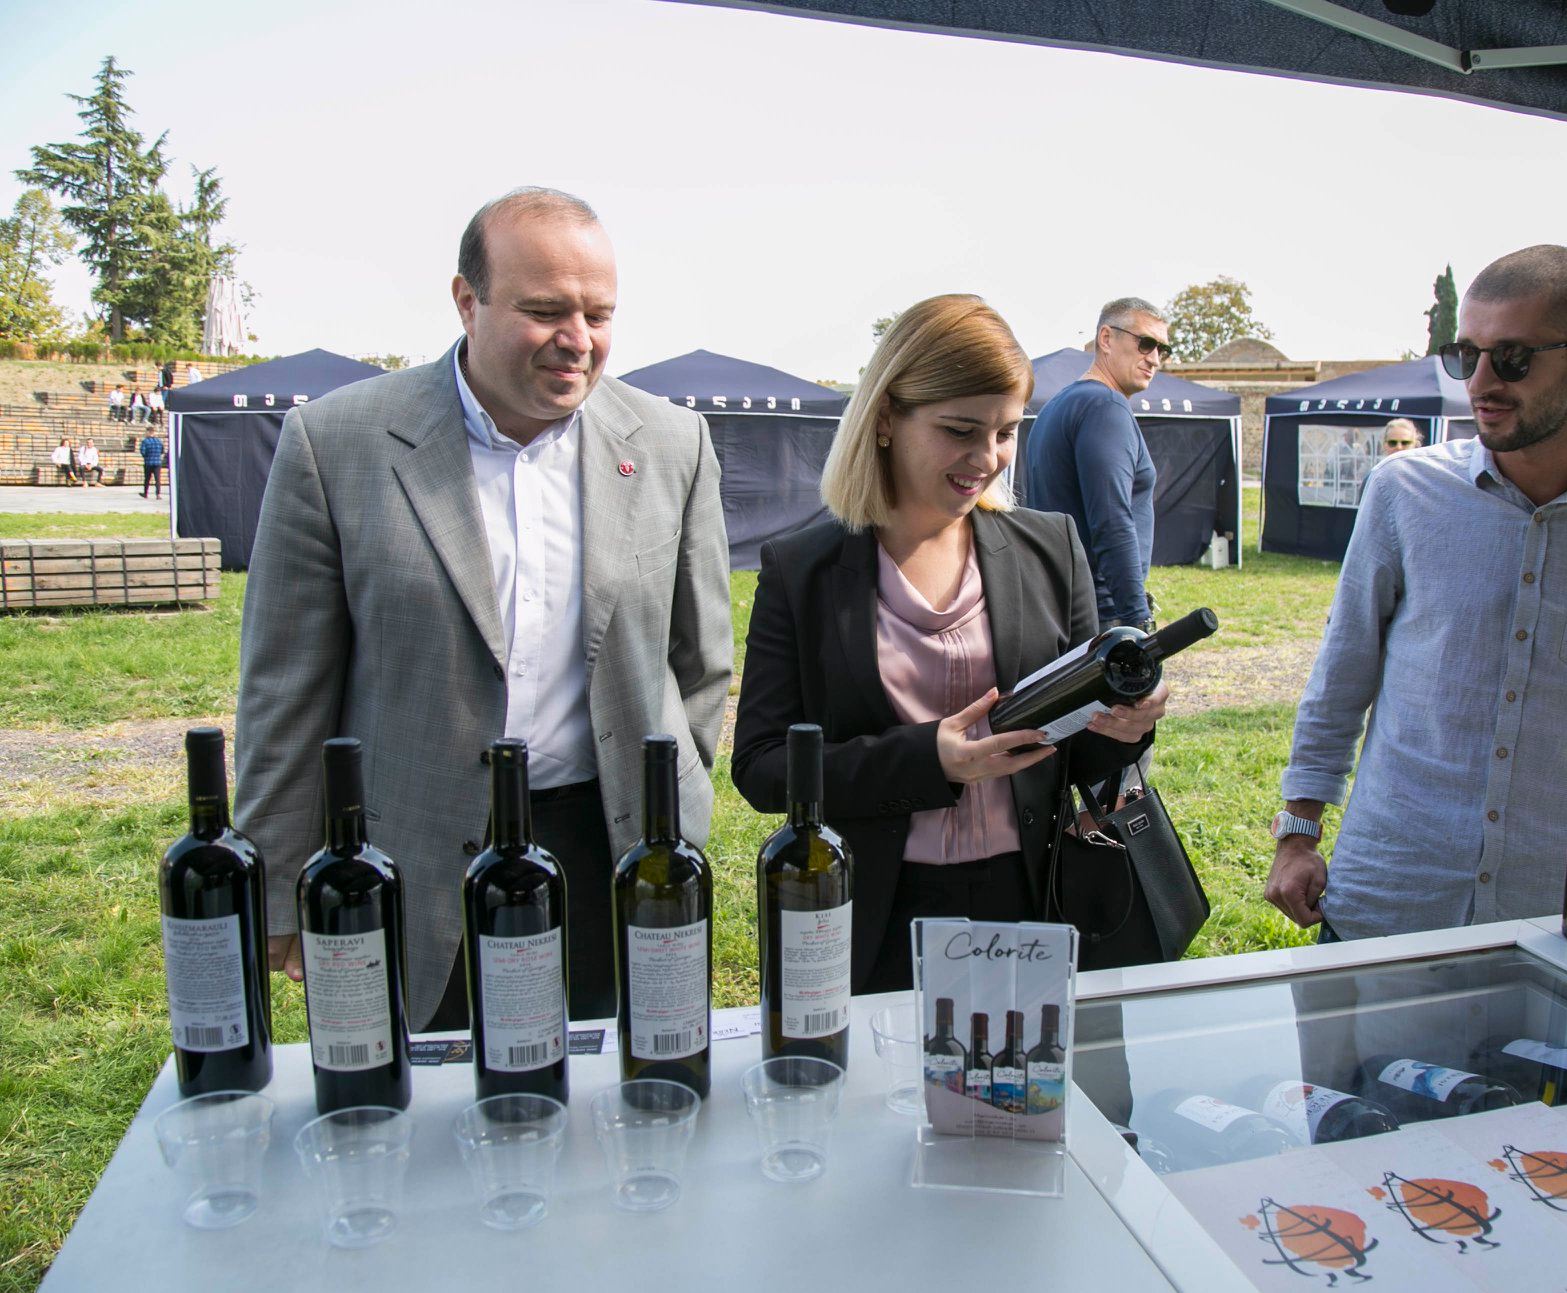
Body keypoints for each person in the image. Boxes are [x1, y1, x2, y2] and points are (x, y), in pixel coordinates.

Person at [234, 187, 733, 1032]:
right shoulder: (336, 442)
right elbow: (285, 689)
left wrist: (668, 799)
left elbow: (700, 662)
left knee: (611, 1092)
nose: (578, 340)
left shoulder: (671, 443)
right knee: (422, 1100)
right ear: (467, 301)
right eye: (544, 311)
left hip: (608, 844)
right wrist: (279, 879)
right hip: (414, 853)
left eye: (598, 314)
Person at [1266, 244, 1567, 943]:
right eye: (1465, 356)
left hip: (1556, 913)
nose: (1480, 382)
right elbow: (1343, 670)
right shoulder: (1404, 491)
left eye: (1512, 357)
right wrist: (1297, 832)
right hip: (1389, 893)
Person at [732, 295, 1168, 995]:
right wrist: (926, 760)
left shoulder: (1051, 549)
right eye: (960, 430)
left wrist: (1128, 724)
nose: (986, 458)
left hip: (1032, 900)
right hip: (874, 914)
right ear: (884, 418)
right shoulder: (802, 571)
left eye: (1005, 432)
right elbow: (761, 768)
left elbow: (1082, 756)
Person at [1023, 297, 1164, 632]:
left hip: (1059, 605)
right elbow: (1112, 519)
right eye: (1146, 343)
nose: (1155, 359)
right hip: (1100, 613)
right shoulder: (1105, 407)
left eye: (1163, 349)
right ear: (1106, 338)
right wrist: (1137, 617)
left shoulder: (1058, 405)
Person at [138, 425, 165, 498]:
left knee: (147, 478)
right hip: (157, 462)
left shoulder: (145, 441)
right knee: (157, 479)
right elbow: (162, 451)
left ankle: (145, 493)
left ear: (148, 432)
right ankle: (158, 494)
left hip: (148, 462)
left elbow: (143, 452)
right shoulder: (159, 441)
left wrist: (146, 456)